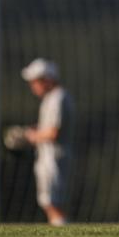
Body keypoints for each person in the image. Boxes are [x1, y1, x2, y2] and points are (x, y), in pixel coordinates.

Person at [21, 58, 74, 226]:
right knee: (48, 200)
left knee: (50, 200)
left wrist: (30, 136)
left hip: (53, 156)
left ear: (47, 79)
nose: (33, 86)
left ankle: (61, 228)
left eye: (36, 81)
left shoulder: (57, 98)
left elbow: (53, 132)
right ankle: (58, 226)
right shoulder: (52, 99)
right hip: (49, 155)